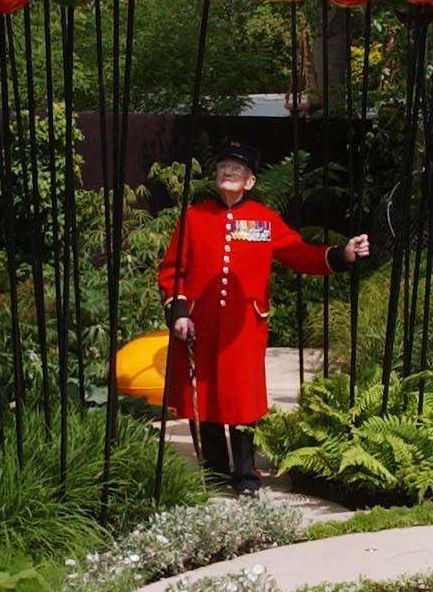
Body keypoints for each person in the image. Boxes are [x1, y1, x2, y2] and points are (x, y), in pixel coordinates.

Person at [157, 140, 370, 494]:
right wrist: (178, 312)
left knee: (242, 399)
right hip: (201, 324)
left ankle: (245, 476)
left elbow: (299, 253)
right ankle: (213, 473)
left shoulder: (265, 220)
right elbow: (172, 270)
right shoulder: (194, 218)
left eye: (236, 169)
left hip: (245, 328)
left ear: (250, 181)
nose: (228, 172)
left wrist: (342, 254)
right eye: (223, 167)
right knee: (205, 397)